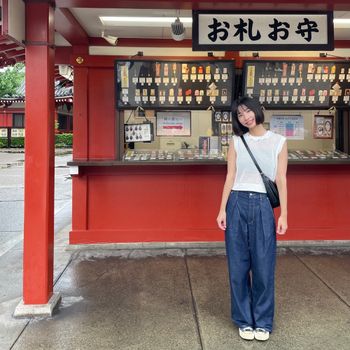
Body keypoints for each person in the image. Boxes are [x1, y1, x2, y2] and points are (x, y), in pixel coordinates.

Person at [216, 96, 288, 342]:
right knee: (237, 266)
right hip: (236, 203)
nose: (245, 117)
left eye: (248, 111)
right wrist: (222, 209)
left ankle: (264, 321)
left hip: (263, 206)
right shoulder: (237, 142)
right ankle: (244, 320)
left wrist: (284, 215)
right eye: (240, 115)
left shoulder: (279, 142)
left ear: (259, 111)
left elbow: (281, 179)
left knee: (264, 267)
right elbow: (230, 176)